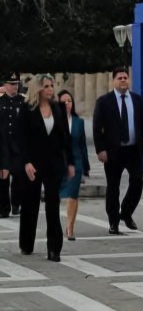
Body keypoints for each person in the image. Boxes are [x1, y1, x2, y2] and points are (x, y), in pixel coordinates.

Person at [17, 74, 74, 262]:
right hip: (33, 164)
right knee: (30, 204)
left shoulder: (58, 108)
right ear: (38, 89)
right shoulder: (27, 109)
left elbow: (66, 138)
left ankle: (54, 249)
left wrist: (70, 162)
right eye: (46, 86)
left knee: (53, 205)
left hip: (53, 164)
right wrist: (26, 162)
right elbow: (21, 138)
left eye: (52, 86)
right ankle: (26, 243)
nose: (50, 89)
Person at [93, 67, 143, 234]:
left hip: (133, 150)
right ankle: (113, 221)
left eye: (125, 77)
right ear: (114, 81)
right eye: (120, 78)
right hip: (113, 151)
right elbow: (97, 127)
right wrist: (100, 149)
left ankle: (126, 212)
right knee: (113, 187)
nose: (123, 80)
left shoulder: (137, 100)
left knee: (137, 182)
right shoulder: (104, 101)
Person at [57, 90, 86, 241]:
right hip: (57, 163)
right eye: (64, 102)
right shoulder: (52, 120)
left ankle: (70, 227)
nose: (67, 104)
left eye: (69, 101)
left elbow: (82, 145)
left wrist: (86, 167)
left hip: (76, 163)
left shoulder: (78, 122)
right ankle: (56, 226)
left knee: (72, 196)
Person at [0, 72, 25, 217]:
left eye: (16, 84)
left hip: (18, 147)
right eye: (12, 84)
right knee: (3, 179)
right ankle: (4, 208)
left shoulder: (23, 102)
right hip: (3, 146)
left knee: (19, 177)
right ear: (5, 85)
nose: (15, 87)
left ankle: (16, 203)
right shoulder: (0, 102)